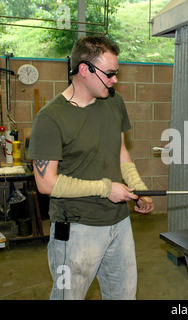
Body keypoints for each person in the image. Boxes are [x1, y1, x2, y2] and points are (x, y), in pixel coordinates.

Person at [28, 34, 154, 300]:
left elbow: (121, 153)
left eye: (116, 73)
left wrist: (140, 189)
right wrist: (106, 188)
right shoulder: (51, 118)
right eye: (110, 74)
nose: (115, 80)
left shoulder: (114, 102)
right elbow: (46, 183)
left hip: (118, 223)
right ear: (85, 70)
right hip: (76, 228)